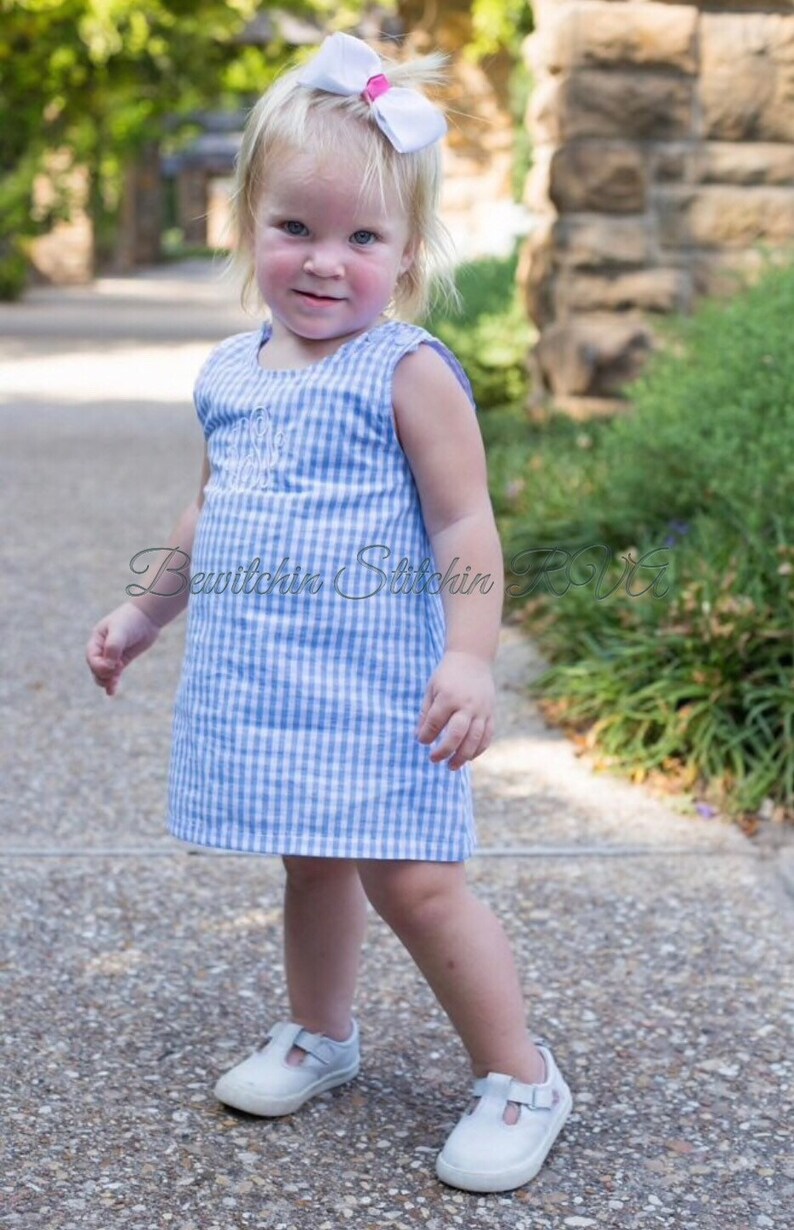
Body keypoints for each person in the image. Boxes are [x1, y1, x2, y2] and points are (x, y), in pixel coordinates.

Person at [85, 31, 572, 1194]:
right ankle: (323, 1033)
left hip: (383, 690)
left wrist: (468, 658)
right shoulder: (232, 373)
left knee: (411, 878)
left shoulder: (404, 370)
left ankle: (520, 1075)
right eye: (295, 228)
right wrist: (147, 614)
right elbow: (212, 513)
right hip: (278, 685)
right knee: (310, 865)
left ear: (405, 256)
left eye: (361, 238)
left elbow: (464, 529)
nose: (322, 262)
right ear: (246, 222)